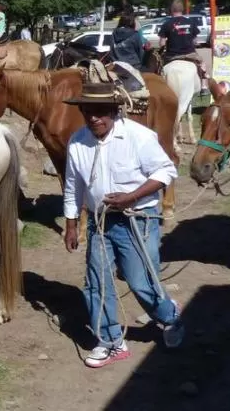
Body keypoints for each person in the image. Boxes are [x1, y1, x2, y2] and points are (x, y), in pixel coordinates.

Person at [62, 81, 184, 368]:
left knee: (140, 281)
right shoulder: (78, 142)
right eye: (88, 111)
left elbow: (166, 171)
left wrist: (132, 196)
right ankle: (110, 341)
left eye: (102, 111)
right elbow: (73, 185)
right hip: (99, 222)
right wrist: (71, 224)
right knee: (96, 282)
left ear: (115, 111)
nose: (95, 117)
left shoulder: (139, 137)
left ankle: (169, 317)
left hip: (137, 220)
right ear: (81, 110)